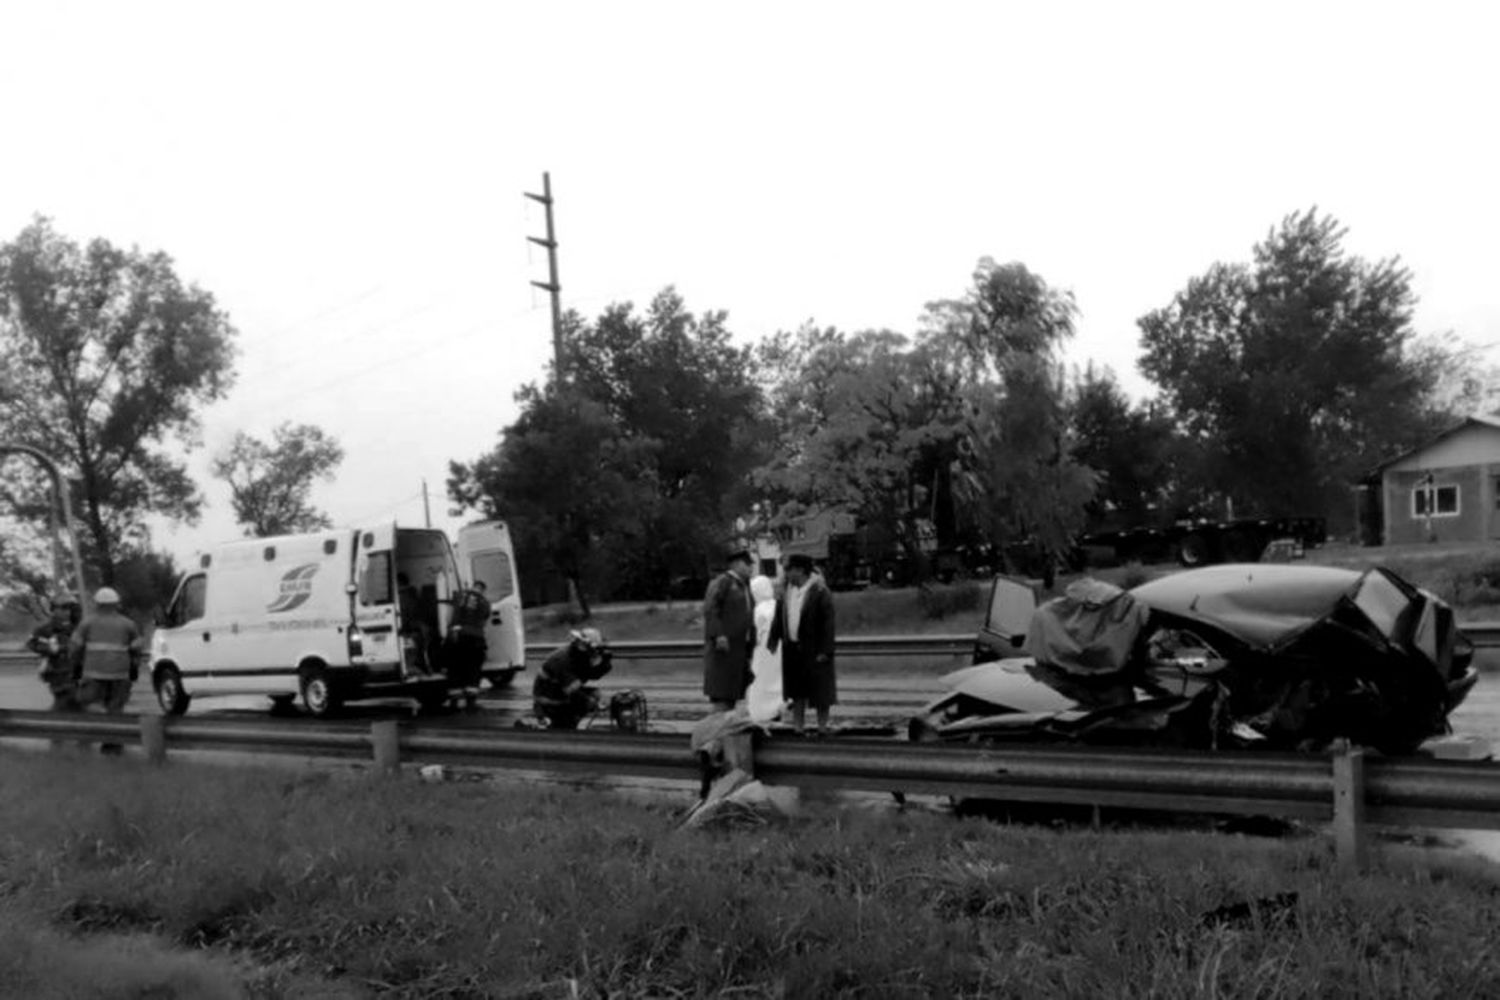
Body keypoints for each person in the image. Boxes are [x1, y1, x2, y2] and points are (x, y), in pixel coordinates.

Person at [69, 587, 143, 754]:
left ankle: (87, 741)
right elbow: (137, 647)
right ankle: (113, 746)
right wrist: (133, 668)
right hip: (120, 675)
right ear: (116, 604)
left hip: (93, 674)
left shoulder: (87, 623)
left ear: (97, 604)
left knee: (89, 704)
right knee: (116, 709)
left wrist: (75, 666)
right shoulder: (128, 624)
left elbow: (75, 647)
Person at [770, 554, 837, 736]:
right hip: (792, 647)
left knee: (820, 691)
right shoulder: (786, 591)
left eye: (789, 570)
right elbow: (779, 616)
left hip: (814, 649)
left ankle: (822, 727)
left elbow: (828, 623)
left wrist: (825, 650)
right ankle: (798, 727)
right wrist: (774, 639)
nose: (786, 574)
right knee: (796, 690)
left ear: (800, 570)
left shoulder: (820, 591)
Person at [702, 548, 755, 711]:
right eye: (747, 565)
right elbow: (711, 609)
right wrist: (719, 635)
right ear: (737, 564)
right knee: (722, 691)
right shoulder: (723, 582)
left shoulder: (744, 585)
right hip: (724, 647)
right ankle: (718, 729)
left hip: (739, 647)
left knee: (732, 691)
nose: (751, 568)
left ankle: (726, 725)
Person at [533, 627, 613, 728]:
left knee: (595, 694)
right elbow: (571, 690)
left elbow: (592, 675)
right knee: (587, 701)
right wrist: (591, 703)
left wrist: (604, 664)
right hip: (548, 702)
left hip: (558, 692)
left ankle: (570, 721)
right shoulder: (563, 659)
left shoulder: (577, 655)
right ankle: (564, 723)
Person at [28, 592, 83, 713]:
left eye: (69, 608)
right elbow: (33, 643)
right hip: (57, 672)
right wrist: (50, 648)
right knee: (65, 699)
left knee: (77, 704)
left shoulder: (80, 627)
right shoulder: (46, 629)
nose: (66, 612)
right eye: (63, 608)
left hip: (79, 672)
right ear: (54, 609)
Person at [744, 575, 784, 723]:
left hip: (761, 654)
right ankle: (778, 711)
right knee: (778, 684)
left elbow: (752, 635)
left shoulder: (757, 610)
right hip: (779, 652)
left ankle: (760, 717)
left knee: (759, 686)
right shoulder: (778, 606)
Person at [445, 579, 490, 709]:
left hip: (456, 637)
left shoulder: (460, 596)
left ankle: (454, 701)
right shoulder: (483, 601)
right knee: (473, 668)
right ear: (482, 590)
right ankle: (471, 701)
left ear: (473, 587)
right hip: (475, 638)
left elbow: (452, 613)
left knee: (455, 668)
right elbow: (485, 616)